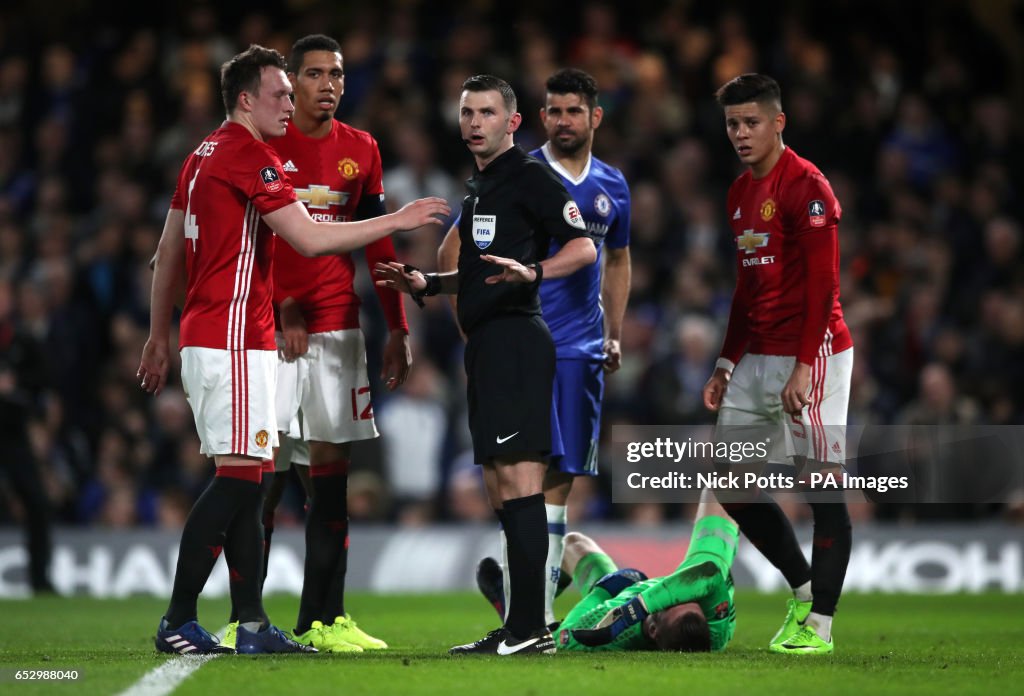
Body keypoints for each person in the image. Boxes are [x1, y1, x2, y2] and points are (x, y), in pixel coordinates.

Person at [137, 44, 447, 655]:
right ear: (247, 99)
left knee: (250, 480)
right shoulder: (252, 155)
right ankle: (178, 618)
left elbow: (167, 250)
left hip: (215, 333)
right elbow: (307, 238)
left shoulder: (200, 155)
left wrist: (158, 333)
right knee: (238, 480)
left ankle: (252, 623)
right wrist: (397, 219)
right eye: (281, 92)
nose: (292, 101)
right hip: (234, 335)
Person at [374, 74, 596, 656]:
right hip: (489, 346)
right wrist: (427, 284)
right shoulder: (480, 189)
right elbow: (473, 277)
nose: (473, 122)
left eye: (486, 112)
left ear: (512, 122)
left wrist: (536, 274)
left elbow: (583, 247)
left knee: (522, 482)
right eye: (467, 112)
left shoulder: (530, 178)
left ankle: (530, 631)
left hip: (518, 342)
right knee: (502, 488)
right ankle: (522, 624)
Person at [220, 33, 405, 655]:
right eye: (316, 73)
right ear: (290, 83)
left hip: (338, 330)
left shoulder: (362, 149)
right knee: (263, 479)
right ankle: (245, 617)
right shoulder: (263, 146)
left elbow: (377, 246)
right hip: (272, 330)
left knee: (330, 482)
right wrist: (284, 308)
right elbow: (251, 243)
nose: (329, 83)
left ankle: (325, 619)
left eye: (338, 74)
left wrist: (398, 326)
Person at [438, 68, 631, 629]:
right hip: (526, 342)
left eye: (574, 110)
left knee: (556, 478)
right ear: (537, 117)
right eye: (554, 110)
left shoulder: (612, 185)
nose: (563, 120)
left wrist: (613, 330)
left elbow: (614, 258)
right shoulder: (518, 172)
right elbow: (457, 251)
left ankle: (531, 614)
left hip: (580, 348)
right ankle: (531, 614)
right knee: (513, 478)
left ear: (595, 117)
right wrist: (473, 329)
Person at [701, 73, 853, 655]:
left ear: (778, 122)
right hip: (756, 354)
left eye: (751, 122)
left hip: (811, 351)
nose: (740, 133)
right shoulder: (740, 193)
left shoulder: (807, 186)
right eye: (732, 124)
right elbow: (745, 288)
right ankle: (806, 588)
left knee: (821, 485)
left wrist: (804, 366)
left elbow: (825, 283)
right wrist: (724, 361)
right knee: (729, 482)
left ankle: (821, 625)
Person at [556, 489, 738, 653]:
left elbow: (561, 638)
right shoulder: (715, 633)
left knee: (572, 544)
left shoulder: (605, 634)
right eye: (690, 597)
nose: (681, 595)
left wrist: (606, 592)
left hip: (617, 600)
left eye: (669, 602)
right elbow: (707, 573)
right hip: (696, 576)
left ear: (653, 630)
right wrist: (633, 610)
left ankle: (538, 606)